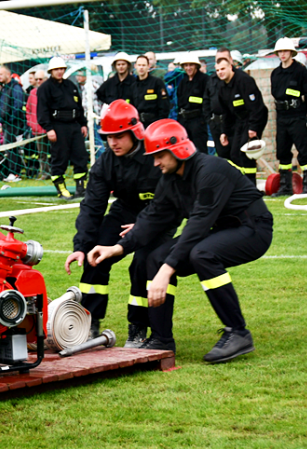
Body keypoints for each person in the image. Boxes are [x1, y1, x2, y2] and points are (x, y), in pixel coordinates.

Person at [87, 119, 273, 363]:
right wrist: (117, 248)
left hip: (253, 229)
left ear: (177, 150)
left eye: (159, 156)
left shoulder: (211, 171)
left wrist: (167, 270)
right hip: (222, 229)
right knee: (156, 257)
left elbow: (197, 225)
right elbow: (152, 218)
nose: (155, 163)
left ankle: (238, 332)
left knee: (202, 254)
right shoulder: (170, 179)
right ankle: (162, 340)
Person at [65, 101, 169, 345]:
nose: (113, 142)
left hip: (159, 216)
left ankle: (138, 328)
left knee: (143, 264)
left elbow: (170, 201)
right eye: (108, 137)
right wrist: (80, 246)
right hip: (125, 211)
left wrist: (144, 226)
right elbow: (92, 206)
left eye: (119, 136)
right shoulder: (105, 162)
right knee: (95, 255)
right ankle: (89, 324)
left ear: (135, 132)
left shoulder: (155, 153)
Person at [37, 57, 88, 199]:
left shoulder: (70, 85)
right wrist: (49, 128)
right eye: (56, 69)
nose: (59, 72)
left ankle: (81, 188)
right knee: (60, 158)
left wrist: (83, 123)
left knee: (81, 156)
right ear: (51, 71)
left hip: (74, 125)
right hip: (57, 126)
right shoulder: (45, 88)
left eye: (61, 69)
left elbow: (78, 106)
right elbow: (42, 110)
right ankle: (61, 189)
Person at [216, 57, 268, 186]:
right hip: (239, 120)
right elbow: (226, 113)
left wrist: (253, 127)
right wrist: (224, 132)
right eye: (217, 70)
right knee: (234, 154)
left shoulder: (244, 80)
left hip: (254, 118)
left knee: (246, 153)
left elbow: (257, 107)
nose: (220, 72)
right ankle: (242, 182)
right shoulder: (222, 88)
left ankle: (251, 185)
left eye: (223, 69)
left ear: (230, 67)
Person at [270, 38, 307, 195]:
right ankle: (285, 186)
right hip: (281, 117)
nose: (282, 54)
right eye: (280, 51)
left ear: (291, 52)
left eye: (285, 51)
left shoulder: (301, 72)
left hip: (297, 115)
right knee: (282, 152)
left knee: (303, 150)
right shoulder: (275, 73)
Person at [176, 53, 211, 153]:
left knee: (200, 151)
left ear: (196, 66)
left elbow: (207, 101)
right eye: (186, 65)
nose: (188, 68)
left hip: (198, 122)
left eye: (191, 65)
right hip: (184, 121)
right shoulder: (183, 82)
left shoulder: (205, 80)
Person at [0, 66, 26, 180]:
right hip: (7, 123)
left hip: (14, 123)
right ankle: (13, 172)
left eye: (1, 74)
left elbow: (18, 105)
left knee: (12, 146)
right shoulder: (4, 88)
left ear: (8, 75)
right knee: (9, 147)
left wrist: (10, 119)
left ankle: (15, 173)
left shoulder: (15, 87)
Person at [25, 71, 50, 180]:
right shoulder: (32, 93)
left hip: (50, 128)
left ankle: (57, 171)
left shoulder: (51, 92)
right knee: (41, 153)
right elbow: (28, 109)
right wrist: (31, 123)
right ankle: (45, 172)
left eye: (41, 79)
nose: (39, 81)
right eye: (37, 79)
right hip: (37, 129)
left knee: (55, 151)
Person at [208, 48, 232, 159]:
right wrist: (210, 121)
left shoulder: (239, 79)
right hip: (216, 124)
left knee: (236, 156)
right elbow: (206, 101)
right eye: (218, 60)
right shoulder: (211, 79)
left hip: (234, 124)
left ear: (230, 61)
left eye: (224, 59)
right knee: (222, 157)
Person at [133, 55, 170, 127]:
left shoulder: (157, 82)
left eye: (143, 65)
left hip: (154, 124)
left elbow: (164, 105)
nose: (141, 68)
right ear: (135, 66)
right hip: (138, 125)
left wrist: (160, 124)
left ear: (148, 66)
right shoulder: (133, 86)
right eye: (139, 65)